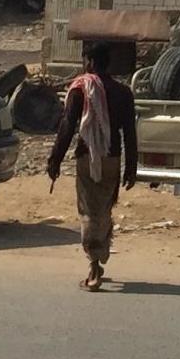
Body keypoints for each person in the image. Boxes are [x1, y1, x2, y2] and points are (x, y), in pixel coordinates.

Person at [45, 40, 138, 292]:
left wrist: (55, 160)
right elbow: (129, 132)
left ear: (90, 62)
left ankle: (94, 265)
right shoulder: (123, 92)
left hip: (87, 157)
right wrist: (132, 166)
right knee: (104, 209)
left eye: (85, 61)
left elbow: (67, 127)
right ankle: (100, 254)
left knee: (88, 211)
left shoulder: (80, 89)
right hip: (112, 158)